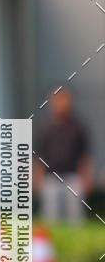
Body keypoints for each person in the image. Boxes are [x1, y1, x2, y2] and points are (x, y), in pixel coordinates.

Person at [34, 86, 93, 222]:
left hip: (73, 178)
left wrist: (86, 178)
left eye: (64, 99)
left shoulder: (78, 127)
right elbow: (39, 156)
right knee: (50, 217)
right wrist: (36, 178)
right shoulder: (45, 128)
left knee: (75, 218)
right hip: (50, 178)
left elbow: (84, 156)